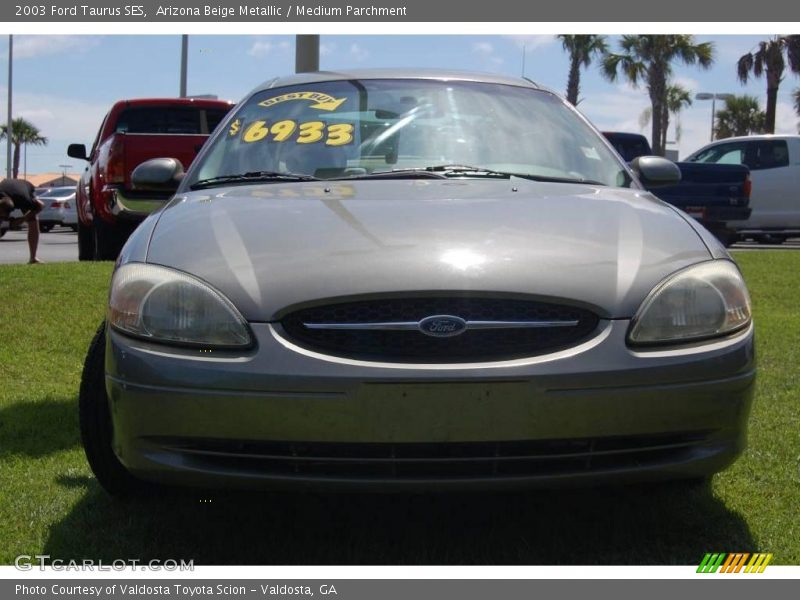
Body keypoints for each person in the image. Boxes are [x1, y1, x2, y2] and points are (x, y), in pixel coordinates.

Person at [0, 178, 44, 264]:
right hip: (8, 186)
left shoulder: (24, 200)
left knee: (33, 220)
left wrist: (22, 219)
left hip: (25, 187)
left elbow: (41, 206)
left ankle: (33, 258)